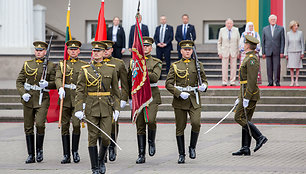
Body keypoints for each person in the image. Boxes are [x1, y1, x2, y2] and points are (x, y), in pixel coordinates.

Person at [74, 41, 120, 174]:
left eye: (98, 51)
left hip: (106, 107)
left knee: (106, 137)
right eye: (94, 51)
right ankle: (94, 167)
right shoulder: (85, 70)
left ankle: (101, 160)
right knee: (92, 137)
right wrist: (78, 108)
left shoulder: (111, 69)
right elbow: (80, 90)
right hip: (91, 107)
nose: (96, 53)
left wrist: (117, 108)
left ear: (104, 53)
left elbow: (116, 91)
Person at [165, 40, 208, 164]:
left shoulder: (198, 64)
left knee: (196, 123)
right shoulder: (175, 65)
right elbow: (168, 84)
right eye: (185, 49)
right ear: (181, 51)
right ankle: (181, 154)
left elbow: (204, 80)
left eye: (190, 49)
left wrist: (204, 86)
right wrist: (178, 93)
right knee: (180, 127)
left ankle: (192, 147)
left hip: (194, 99)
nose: (188, 51)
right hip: (180, 100)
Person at [16, 41, 56, 163]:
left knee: (39, 124)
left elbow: (55, 83)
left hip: (42, 98)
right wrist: (23, 93)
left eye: (41, 51)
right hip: (28, 99)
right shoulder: (27, 64)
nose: (38, 52)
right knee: (28, 127)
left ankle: (39, 150)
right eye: (37, 50)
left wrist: (47, 84)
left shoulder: (50, 66)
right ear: (35, 52)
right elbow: (19, 81)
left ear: (45, 52)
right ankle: (31, 154)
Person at [128, 37, 162, 164]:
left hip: (151, 95)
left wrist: (142, 69)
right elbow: (128, 80)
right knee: (140, 126)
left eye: (148, 46)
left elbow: (155, 77)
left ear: (151, 48)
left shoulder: (156, 62)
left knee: (151, 120)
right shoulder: (133, 62)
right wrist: (129, 98)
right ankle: (141, 153)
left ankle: (151, 141)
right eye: (143, 46)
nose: (145, 48)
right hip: (138, 95)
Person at [232, 35, 268, 156]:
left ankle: (259, 136)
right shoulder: (248, 57)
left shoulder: (252, 59)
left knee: (239, 118)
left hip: (250, 94)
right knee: (245, 120)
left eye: (245, 43)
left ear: (248, 45)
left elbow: (252, 81)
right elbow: (243, 82)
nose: (244, 44)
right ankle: (245, 147)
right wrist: (239, 97)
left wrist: (246, 97)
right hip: (245, 93)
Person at [55, 40, 88, 164]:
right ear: (67, 51)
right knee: (64, 126)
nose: (73, 52)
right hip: (65, 98)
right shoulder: (62, 64)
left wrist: (84, 100)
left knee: (75, 125)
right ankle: (66, 154)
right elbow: (58, 77)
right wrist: (60, 87)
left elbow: (86, 83)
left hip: (77, 99)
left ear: (79, 51)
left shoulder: (84, 65)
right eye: (70, 50)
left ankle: (75, 151)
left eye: (75, 50)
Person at [101, 40, 129, 161]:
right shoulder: (95, 63)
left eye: (108, 49)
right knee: (100, 124)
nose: (106, 51)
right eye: (104, 49)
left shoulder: (119, 63)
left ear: (112, 50)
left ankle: (112, 146)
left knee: (112, 124)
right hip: (99, 97)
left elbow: (124, 83)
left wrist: (124, 98)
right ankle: (103, 149)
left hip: (113, 97)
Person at [262, 14, 285, 86]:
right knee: (269, 67)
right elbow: (263, 41)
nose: (273, 21)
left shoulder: (281, 28)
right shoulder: (265, 29)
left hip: (277, 51)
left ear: (276, 20)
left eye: (274, 19)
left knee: (277, 67)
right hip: (268, 50)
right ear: (269, 20)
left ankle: (277, 81)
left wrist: (282, 51)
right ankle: (270, 82)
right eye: (271, 19)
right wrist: (263, 52)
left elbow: (282, 41)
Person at [217, 18, 240, 86]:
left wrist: (238, 52)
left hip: (234, 51)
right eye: (228, 23)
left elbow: (238, 42)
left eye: (230, 23)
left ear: (232, 24)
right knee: (224, 67)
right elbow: (219, 42)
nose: (229, 25)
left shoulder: (236, 30)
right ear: (225, 24)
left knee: (233, 67)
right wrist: (219, 52)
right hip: (224, 51)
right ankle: (224, 81)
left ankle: (232, 81)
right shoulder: (222, 30)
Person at [284, 20, 304, 86]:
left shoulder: (300, 33)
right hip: (290, 52)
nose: (296, 27)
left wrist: (302, 52)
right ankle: (292, 81)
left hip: (298, 52)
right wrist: (286, 54)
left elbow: (302, 44)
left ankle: (296, 81)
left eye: (297, 26)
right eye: (295, 26)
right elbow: (286, 44)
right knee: (291, 67)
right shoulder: (288, 34)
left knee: (297, 67)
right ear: (292, 26)